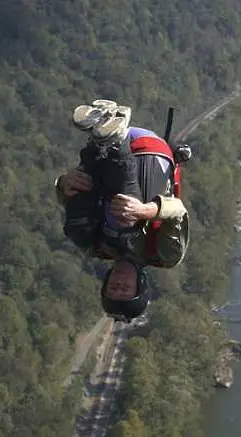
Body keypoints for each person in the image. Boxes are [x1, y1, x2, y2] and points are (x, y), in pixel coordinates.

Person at [54, 99, 192, 321]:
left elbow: (72, 206)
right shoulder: (166, 255)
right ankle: (115, 141)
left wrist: (64, 184)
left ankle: (99, 134)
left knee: (80, 233)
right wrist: (145, 211)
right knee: (124, 227)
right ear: (140, 285)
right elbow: (178, 210)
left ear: (106, 281)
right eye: (125, 290)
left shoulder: (97, 247)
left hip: (107, 151)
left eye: (113, 289)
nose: (119, 285)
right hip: (150, 151)